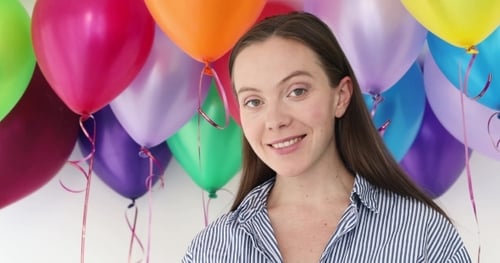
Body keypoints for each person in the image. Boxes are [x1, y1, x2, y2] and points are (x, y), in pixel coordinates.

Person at [182, 12, 471, 263]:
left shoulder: (421, 234)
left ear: (341, 96)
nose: (275, 121)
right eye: (254, 101)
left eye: (297, 91)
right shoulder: (212, 249)